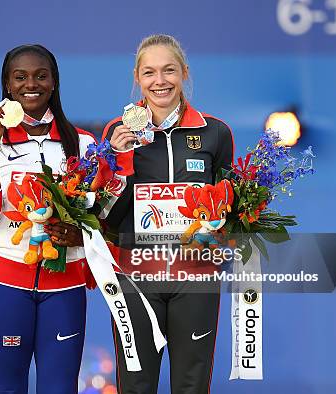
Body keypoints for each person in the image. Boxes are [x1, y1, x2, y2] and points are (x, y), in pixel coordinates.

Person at [102, 34, 234, 393]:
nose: (159, 81)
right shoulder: (118, 132)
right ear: (137, 78)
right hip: (136, 278)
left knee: (192, 386)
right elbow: (107, 217)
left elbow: (230, 207)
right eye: (149, 73)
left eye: (169, 70)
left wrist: (218, 236)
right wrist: (119, 162)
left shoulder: (215, 132)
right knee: (135, 386)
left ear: (184, 73)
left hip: (195, 278)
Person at [0, 44, 96, 394]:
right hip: (8, 285)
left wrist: (78, 235)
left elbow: (97, 218)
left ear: (54, 82)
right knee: (7, 388)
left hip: (65, 286)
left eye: (41, 75)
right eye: (20, 77)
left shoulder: (82, 145)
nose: (31, 84)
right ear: (7, 85)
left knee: (59, 388)